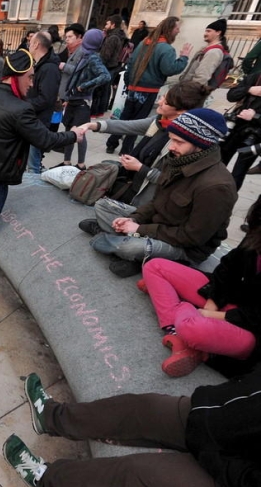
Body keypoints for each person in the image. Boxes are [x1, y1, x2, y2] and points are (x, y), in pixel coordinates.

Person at [4, 371, 261, 487]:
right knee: (142, 407)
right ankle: (51, 417)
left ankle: (46, 478)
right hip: (221, 417)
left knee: (137, 472)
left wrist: (208, 452)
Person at [0, 50, 85, 269]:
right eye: (31, 77)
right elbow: (45, 139)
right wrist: (74, 134)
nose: (32, 83)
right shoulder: (20, 109)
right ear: (17, 75)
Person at [84, 109, 237, 278]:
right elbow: (157, 201)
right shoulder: (177, 160)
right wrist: (135, 218)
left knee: (129, 247)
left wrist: (140, 229)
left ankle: (120, 244)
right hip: (159, 224)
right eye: (171, 139)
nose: (171, 147)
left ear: (201, 143)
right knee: (103, 205)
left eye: (179, 142)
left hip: (185, 248)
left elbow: (192, 237)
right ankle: (130, 245)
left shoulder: (217, 186)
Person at [140, 197, 261, 377]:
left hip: (249, 329)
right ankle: (179, 331)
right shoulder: (257, 232)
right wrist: (211, 302)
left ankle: (179, 308)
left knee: (194, 329)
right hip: (226, 297)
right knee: (154, 266)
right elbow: (228, 267)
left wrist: (211, 315)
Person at [78, 81, 211, 227]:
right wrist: (93, 125)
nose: (158, 102)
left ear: (180, 111)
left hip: (153, 202)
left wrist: (140, 168)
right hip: (135, 186)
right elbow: (128, 125)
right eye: (161, 97)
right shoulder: (161, 121)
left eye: (165, 101)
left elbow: (174, 182)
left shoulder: (185, 143)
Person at [105, 17, 192, 155]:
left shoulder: (144, 43)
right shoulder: (166, 49)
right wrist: (184, 58)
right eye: (176, 28)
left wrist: (130, 84)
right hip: (148, 90)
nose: (178, 31)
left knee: (125, 118)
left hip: (134, 89)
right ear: (170, 29)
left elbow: (130, 63)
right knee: (137, 122)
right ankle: (126, 150)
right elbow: (169, 69)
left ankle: (111, 143)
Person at [58, 28, 111, 170]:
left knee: (80, 133)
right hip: (74, 98)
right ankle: (66, 162)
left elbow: (105, 76)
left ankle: (81, 164)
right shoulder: (85, 54)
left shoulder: (93, 57)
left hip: (82, 101)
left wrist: (83, 87)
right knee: (70, 131)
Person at [26, 31, 63, 174]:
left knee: (33, 165)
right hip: (32, 120)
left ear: (36, 45)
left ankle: (34, 193)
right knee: (29, 163)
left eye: (31, 41)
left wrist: (24, 105)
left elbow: (46, 99)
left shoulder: (49, 68)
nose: (29, 44)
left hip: (38, 123)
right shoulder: (42, 64)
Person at [220, 70, 261, 189]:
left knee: (238, 172)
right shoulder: (256, 76)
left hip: (255, 136)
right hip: (236, 128)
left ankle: (227, 201)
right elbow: (231, 96)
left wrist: (255, 116)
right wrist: (249, 89)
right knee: (219, 164)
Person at [90, 15, 128, 118]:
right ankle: (100, 110)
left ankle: (95, 111)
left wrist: (98, 66)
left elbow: (106, 55)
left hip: (107, 66)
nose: (105, 25)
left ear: (113, 24)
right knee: (105, 89)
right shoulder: (116, 36)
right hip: (112, 66)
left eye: (107, 23)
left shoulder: (112, 37)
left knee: (99, 90)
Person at [180, 19, 228, 87]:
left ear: (218, 32)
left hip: (191, 91)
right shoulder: (206, 50)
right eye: (205, 31)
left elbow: (202, 77)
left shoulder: (213, 52)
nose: (205, 34)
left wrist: (189, 91)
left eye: (208, 31)